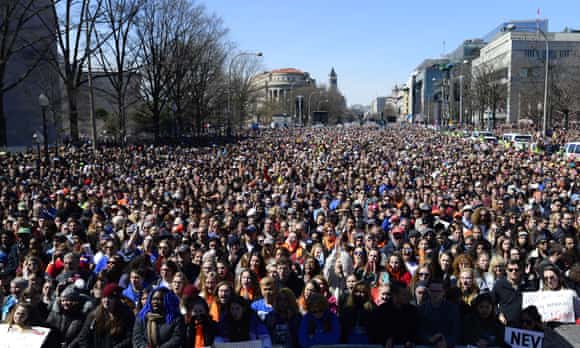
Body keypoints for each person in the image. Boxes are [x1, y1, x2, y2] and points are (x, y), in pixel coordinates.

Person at [77, 283, 135, 348]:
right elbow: (83, 337)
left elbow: (130, 338)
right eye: (104, 297)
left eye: (110, 298)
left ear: (117, 299)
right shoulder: (94, 315)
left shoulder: (127, 315)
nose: (106, 301)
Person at [371, 280, 418, 347]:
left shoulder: (412, 311)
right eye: (404, 294)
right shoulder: (381, 311)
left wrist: (410, 340)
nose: (407, 297)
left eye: (407, 294)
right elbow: (376, 331)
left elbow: (414, 331)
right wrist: (386, 339)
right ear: (394, 295)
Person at [416, 280, 461, 348]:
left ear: (443, 292)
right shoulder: (421, 309)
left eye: (438, 291)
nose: (435, 294)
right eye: (432, 291)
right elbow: (419, 330)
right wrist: (428, 339)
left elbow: (456, 331)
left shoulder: (452, 309)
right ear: (428, 291)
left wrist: (447, 342)